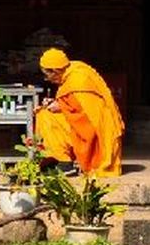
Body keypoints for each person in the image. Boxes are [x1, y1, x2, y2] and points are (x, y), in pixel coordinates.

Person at [33, 48, 124, 177]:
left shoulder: (78, 79)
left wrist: (61, 106)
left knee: (46, 117)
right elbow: (75, 103)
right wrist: (56, 103)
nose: (47, 79)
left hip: (97, 134)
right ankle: (59, 159)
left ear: (55, 71)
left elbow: (89, 117)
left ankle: (65, 163)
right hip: (86, 124)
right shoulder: (74, 69)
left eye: (47, 75)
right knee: (44, 113)